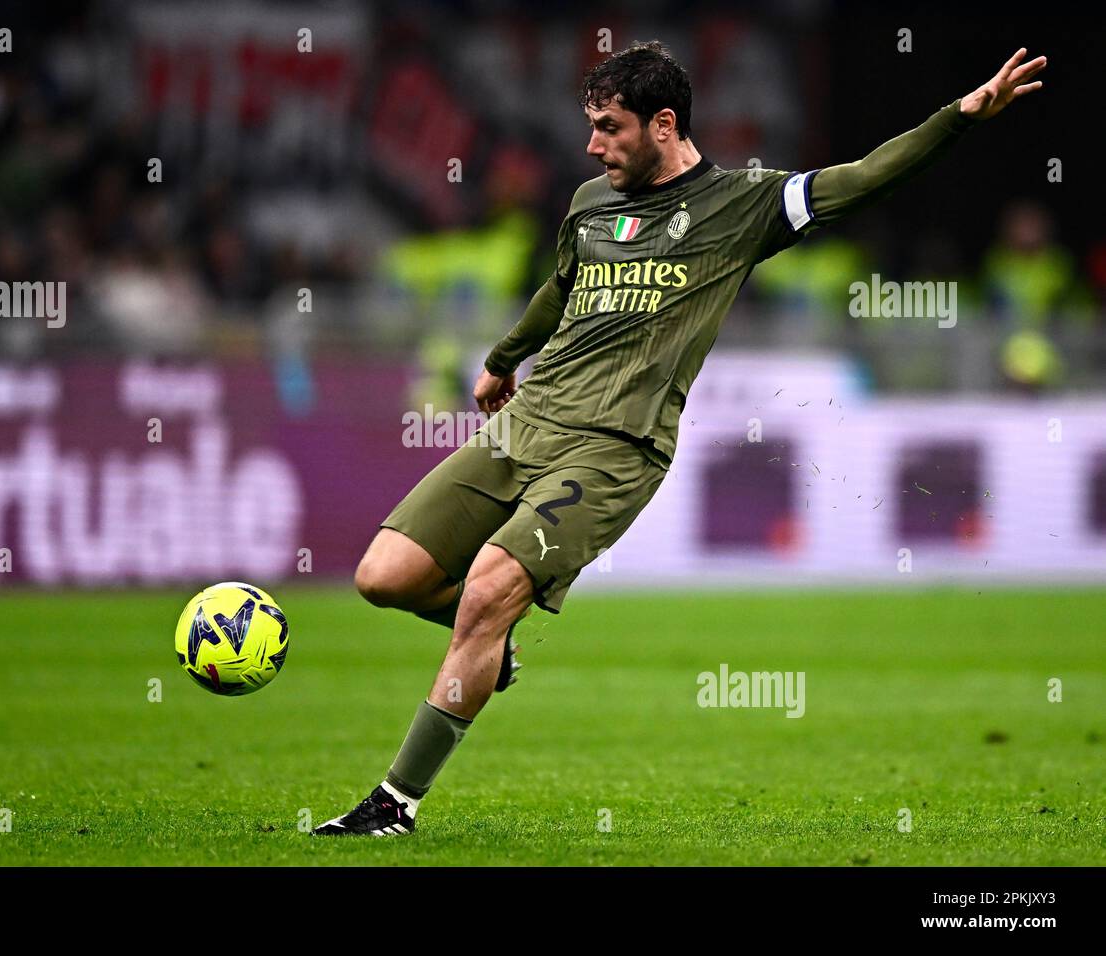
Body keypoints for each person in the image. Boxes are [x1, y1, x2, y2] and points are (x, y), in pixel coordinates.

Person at [313, 41, 1046, 836]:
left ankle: (394, 804)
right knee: (384, 576)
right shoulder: (591, 202)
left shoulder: (743, 205)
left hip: (616, 448)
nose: (593, 145)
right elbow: (560, 289)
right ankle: (493, 649)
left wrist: (960, 117)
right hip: (528, 423)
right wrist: (501, 361)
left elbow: (863, 178)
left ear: (664, 124)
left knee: (490, 588)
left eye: (608, 127)